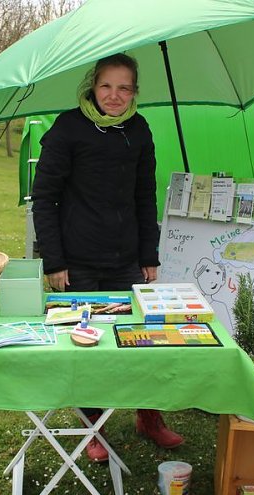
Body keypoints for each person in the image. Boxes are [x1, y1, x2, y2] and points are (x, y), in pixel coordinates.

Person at [32, 53, 184, 462]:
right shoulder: (68, 128)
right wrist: (54, 261)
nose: (114, 96)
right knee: (87, 343)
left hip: (126, 258)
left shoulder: (139, 130)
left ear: (134, 91)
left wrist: (148, 254)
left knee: (139, 340)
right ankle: (92, 425)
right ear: (92, 87)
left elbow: (143, 195)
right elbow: (44, 199)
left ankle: (147, 416)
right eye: (106, 86)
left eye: (124, 88)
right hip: (77, 260)